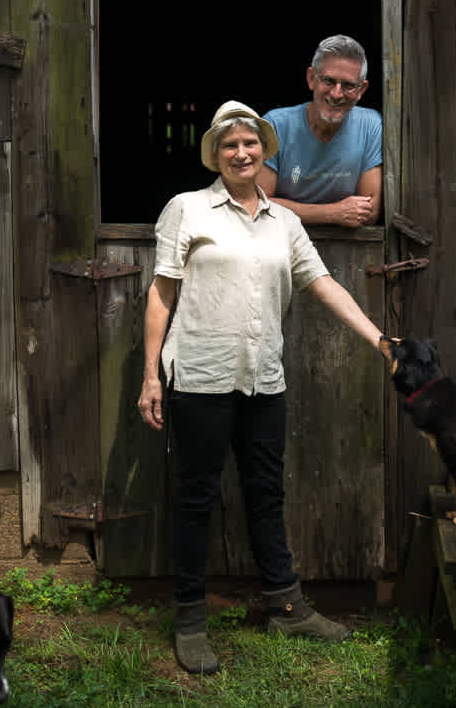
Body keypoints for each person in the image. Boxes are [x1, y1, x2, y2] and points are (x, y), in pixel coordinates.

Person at [137, 99, 384, 674]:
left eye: (250, 144)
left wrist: (379, 340)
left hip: (263, 382)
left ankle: (287, 606)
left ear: (264, 152)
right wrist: (151, 374)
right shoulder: (188, 210)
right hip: (199, 376)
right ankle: (191, 620)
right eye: (230, 146)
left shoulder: (287, 223)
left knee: (267, 495)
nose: (241, 153)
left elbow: (324, 286)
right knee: (197, 500)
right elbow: (161, 293)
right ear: (216, 156)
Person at [258, 35, 382, 227]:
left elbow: (368, 212)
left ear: (361, 90)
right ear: (311, 79)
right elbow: (259, 205)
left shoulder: (371, 125)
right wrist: (333, 213)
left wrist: (289, 210)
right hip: (282, 245)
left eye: (348, 85)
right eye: (329, 81)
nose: (336, 94)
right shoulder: (275, 125)